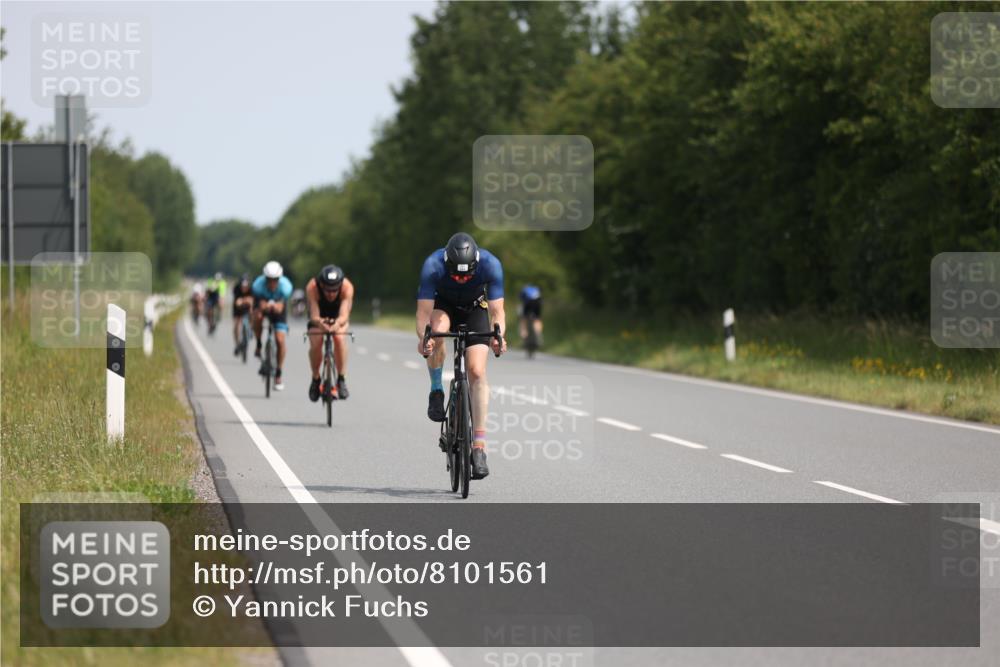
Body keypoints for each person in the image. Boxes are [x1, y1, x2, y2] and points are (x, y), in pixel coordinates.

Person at [416, 232, 506, 480]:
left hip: (475, 308)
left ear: (476, 264)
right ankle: (436, 389)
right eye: (456, 274)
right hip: (442, 306)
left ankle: (479, 448)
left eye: (467, 275)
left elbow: (498, 313)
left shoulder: (491, 264)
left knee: (477, 371)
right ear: (447, 264)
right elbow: (423, 313)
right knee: (437, 333)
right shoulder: (433, 265)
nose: (461, 279)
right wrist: (425, 338)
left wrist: (499, 337)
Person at [304, 264, 355, 401]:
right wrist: (321, 323)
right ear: (321, 285)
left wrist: (336, 324)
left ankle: (341, 379)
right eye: (327, 290)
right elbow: (314, 315)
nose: (331, 294)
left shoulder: (347, 287)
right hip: (319, 317)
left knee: (339, 338)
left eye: (334, 290)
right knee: (316, 342)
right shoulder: (312, 287)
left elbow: (344, 316)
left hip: (338, 317)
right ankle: (315, 379)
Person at [252, 261, 293, 391]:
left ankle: (278, 374)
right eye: (269, 279)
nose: (272, 282)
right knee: (257, 317)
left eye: (275, 279)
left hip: (278, 308)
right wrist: (263, 307)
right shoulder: (258, 286)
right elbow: (258, 304)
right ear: (265, 278)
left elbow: (281, 307)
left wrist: (276, 306)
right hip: (262, 304)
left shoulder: (285, 287)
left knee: (280, 339)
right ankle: (258, 343)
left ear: (279, 278)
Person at [231, 273, 255, 355]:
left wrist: (246, 301)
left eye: (246, 286)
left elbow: (252, 301)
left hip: (248, 307)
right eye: (242, 286)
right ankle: (237, 344)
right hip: (238, 308)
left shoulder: (252, 289)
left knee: (252, 312)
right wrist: (245, 300)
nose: (244, 288)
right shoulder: (236, 288)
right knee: (236, 325)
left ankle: (251, 329)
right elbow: (237, 302)